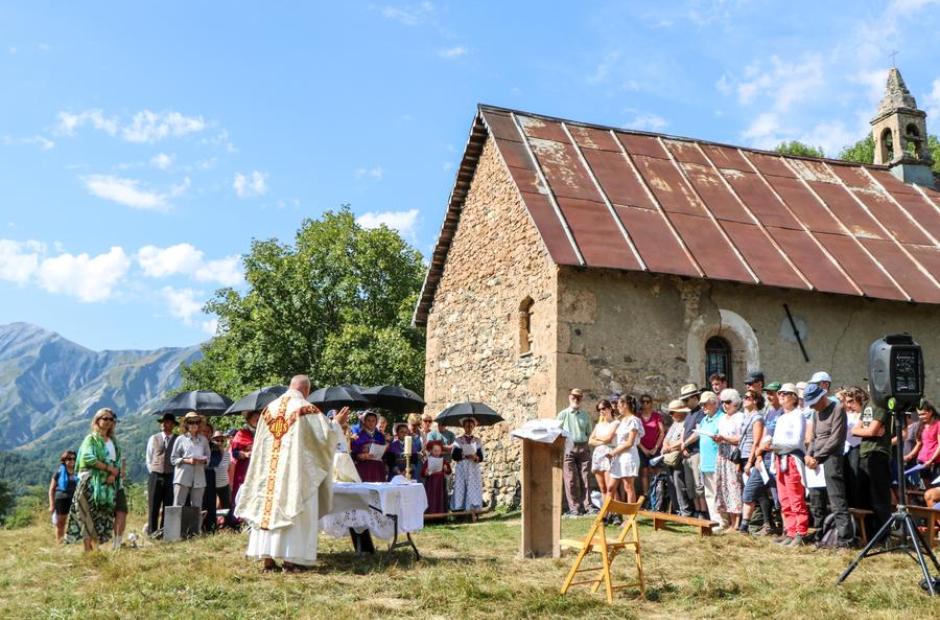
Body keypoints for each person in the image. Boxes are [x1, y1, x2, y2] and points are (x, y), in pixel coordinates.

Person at [236, 375, 348, 572]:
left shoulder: (268, 410)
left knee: (267, 510)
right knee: (293, 508)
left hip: (268, 475)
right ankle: (291, 561)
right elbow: (325, 437)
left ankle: (268, 561)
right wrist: (337, 423)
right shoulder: (306, 409)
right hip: (292, 474)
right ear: (306, 390)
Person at [66, 408, 123, 551]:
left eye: (111, 419)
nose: (108, 421)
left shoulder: (113, 442)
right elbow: (87, 458)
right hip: (90, 482)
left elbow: (117, 461)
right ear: (97, 421)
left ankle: (96, 548)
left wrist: (112, 474)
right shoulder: (91, 439)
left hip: (107, 484)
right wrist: (108, 468)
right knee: (87, 514)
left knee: (102, 515)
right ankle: (88, 549)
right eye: (105, 418)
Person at [803, 382, 852, 546]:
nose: (812, 407)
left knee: (836, 498)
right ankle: (819, 535)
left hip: (831, 457)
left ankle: (845, 539)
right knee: (816, 499)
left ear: (822, 397)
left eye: (814, 403)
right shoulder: (816, 413)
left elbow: (835, 438)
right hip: (816, 459)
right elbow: (814, 437)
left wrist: (818, 457)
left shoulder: (837, 409)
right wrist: (808, 454)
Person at [771, 384, 809, 546]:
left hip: (792, 459)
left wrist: (775, 445)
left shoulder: (798, 415)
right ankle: (791, 530)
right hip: (780, 458)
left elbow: (796, 442)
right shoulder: (781, 417)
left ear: (794, 397)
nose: (781, 396)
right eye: (780, 393)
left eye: (785, 393)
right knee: (784, 498)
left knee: (795, 496)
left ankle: (801, 531)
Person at [740, 390, 775, 534]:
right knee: (757, 493)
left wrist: (750, 461)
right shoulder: (747, 416)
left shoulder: (757, 418)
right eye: (744, 397)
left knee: (758, 492)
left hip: (752, 457)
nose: (744, 399)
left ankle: (766, 523)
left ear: (755, 401)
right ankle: (760, 524)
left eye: (747, 397)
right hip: (745, 455)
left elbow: (756, 441)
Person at [557, 388, 594, 515]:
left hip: (583, 446)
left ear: (581, 399)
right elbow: (556, 432)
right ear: (569, 397)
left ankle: (588, 506)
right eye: (574, 397)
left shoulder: (585, 415)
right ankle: (574, 509)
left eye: (579, 397)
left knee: (586, 478)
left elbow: (589, 432)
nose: (576, 399)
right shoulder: (563, 414)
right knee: (570, 479)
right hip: (568, 447)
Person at [714, 389, 744, 531]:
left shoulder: (740, 417)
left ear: (735, 403)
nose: (725, 405)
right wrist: (717, 438)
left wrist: (724, 438)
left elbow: (741, 438)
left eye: (728, 402)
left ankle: (736, 523)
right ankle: (730, 522)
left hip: (733, 455)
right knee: (724, 487)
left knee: (734, 488)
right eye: (723, 402)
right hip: (722, 454)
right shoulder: (723, 418)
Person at [678, 384, 708, 519]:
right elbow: (684, 431)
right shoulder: (689, 414)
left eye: (686, 400)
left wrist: (686, 443)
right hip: (687, 453)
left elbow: (698, 432)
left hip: (696, 452)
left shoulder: (700, 413)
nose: (685, 403)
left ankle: (703, 511)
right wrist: (683, 446)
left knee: (698, 484)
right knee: (690, 485)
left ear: (695, 397)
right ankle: (697, 510)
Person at [145, 413, 177, 536]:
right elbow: (149, 457)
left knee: (168, 504)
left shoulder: (177, 439)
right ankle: (152, 532)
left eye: (167, 422)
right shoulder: (154, 438)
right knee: (153, 504)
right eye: (162, 422)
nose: (163, 424)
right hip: (156, 474)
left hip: (171, 475)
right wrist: (154, 471)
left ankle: (164, 532)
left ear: (173, 425)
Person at [608, 395, 644, 504]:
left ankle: (630, 513)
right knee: (611, 487)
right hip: (618, 456)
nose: (617, 407)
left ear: (625, 405)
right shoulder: (622, 420)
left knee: (628, 486)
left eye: (619, 405)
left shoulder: (634, 420)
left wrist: (613, 452)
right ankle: (607, 512)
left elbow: (629, 442)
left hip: (629, 456)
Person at [696, 391, 724, 528]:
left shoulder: (722, 418)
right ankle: (714, 522)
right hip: (705, 462)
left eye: (705, 404)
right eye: (701, 404)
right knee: (709, 494)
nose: (703, 407)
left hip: (717, 461)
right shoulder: (704, 420)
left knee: (719, 494)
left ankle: (722, 522)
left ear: (714, 403)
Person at [170, 412, 210, 507]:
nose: (194, 425)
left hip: (199, 477)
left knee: (197, 507)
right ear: (186, 424)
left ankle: (195, 518)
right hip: (182, 477)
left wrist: (203, 460)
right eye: (191, 422)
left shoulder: (203, 440)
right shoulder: (180, 439)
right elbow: (173, 459)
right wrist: (187, 460)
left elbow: (208, 457)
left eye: (197, 422)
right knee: (178, 505)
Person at [661, 400, 691, 516]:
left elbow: (683, 440)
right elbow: (666, 439)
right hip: (669, 457)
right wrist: (666, 446)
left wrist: (669, 448)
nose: (671, 415)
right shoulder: (675, 424)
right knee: (672, 483)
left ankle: (685, 510)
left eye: (672, 412)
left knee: (679, 484)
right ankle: (677, 509)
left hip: (679, 457)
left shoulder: (686, 422)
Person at [588, 399, 619, 510]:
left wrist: (598, 438)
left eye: (603, 408)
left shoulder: (616, 423)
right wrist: (602, 441)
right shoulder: (599, 425)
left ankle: (617, 512)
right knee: (602, 487)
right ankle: (605, 512)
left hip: (609, 454)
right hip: (598, 455)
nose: (601, 411)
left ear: (610, 408)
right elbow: (590, 441)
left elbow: (609, 438)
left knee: (611, 487)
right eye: (599, 409)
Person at [452, 417, 485, 516]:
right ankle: (459, 510)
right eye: (467, 426)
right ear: (463, 427)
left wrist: (475, 457)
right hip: (462, 467)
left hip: (473, 468)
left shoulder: (477, 441)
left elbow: (481, 457)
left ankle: (473, 509)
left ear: (473, 427)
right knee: (461, 487)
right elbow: (454, 456)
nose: (469, 428)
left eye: (471, 426)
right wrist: (463, 454)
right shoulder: (458, 440)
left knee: (473, 487)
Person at [637, 394, 664, 503]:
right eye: (643, 402)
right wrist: (643, 449)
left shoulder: (656, 416)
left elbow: (661, 433)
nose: (645, 404)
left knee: (656, 472)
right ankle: (646, 496)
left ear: (651, 403)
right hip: (641, 448)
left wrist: (655, 448)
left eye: (647, 401)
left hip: (655, 448)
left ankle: (657, 497)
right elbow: (635, 435)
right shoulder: (638, 417)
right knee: (644, 472)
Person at [48, 450, 77, 543]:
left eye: (74, 458)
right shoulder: (59, 472)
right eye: (69, 458)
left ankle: (72, 541)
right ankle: (59, 542)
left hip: (75, 499)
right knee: (61, 523)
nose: (72, 460)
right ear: (64, 460)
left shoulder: (77, 471)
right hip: (62, 499)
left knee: (76, 521)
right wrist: (52, 505)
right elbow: (51, 489)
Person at [351, 410, 389, 482]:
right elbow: (354, 453)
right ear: (364, 421)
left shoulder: (380, 436)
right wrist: (360, 456)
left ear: (376, 422)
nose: (371, 423)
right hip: (363, 467)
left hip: (378, 467)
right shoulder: (358, 435)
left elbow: (384, 454)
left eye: (373, 421)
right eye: (368, 420)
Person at [229, 410, 258, 503]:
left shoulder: (263, 432)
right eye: (254, 417)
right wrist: (245, 454)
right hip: (244, 468)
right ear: (248, 419)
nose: (257, 419)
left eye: (258, 418)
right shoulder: (241, 433)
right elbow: (234, 453)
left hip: (258, 467)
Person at [915, 400, 940, 487]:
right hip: (922, 462)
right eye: (919, 415)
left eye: (923, 414)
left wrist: (931, 460)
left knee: (936, 489)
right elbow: (919, 444)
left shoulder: (938, 424)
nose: (921, 417)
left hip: (936, 462)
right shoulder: (921, 425)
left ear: (931, 412)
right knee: (928, 489)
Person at [422, 441, 451, 514]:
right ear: (431, 451)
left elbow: (449, 471)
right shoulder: (428, 461)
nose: (437, 453)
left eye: (439, 451)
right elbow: (422, 473)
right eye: (435, 451)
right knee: (431, 498)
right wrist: (426, 472)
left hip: (440, 483)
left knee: (440, 497)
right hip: (431, 483)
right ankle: (431, 515)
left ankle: (441, 515)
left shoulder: (443, 460)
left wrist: (446, 469)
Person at [211, 431, 233, 528]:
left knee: (226, 506)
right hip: (213, 484)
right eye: (217, 440)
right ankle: (213, 525)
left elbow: (228, 469)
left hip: (224, 484)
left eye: (221, 440)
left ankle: (226, 526)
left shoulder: (227, 454)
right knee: (212, 506)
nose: (219, 442)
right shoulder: (210, 453)